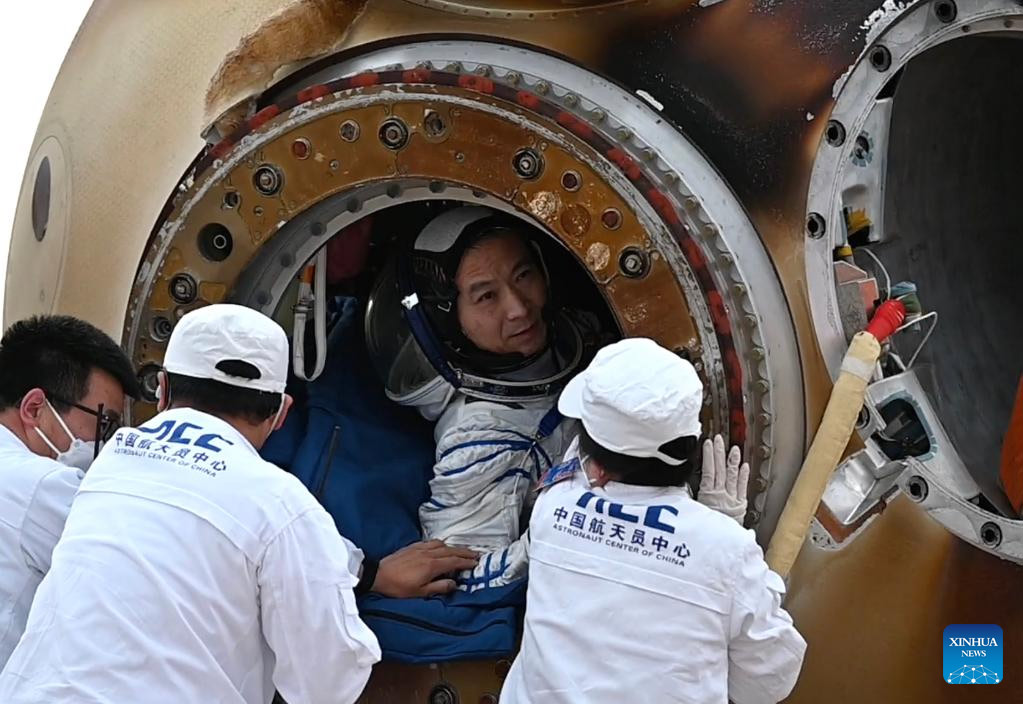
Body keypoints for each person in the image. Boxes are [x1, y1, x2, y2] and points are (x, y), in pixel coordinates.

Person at [0, 304, 477, 704]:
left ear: (162, 389)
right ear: (282, 412)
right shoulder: (280, 502)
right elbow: (325, 682)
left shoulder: (110, 466)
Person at [500, 338, 807, 704]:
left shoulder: (553, 507)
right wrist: (721, 535)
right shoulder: (726, 549)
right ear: (692, 444)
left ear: (596, 467)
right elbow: (767, 685)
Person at [366, 205, 598, 590]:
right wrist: (574, 531)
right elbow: (466, 576)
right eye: (486, 296)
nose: (519, 308)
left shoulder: (573, 334)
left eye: (523, 275)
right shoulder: (482, 438)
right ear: (448, 319)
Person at [0, 315, 139, 670]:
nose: (105, 443)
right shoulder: (44, 486)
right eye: (103, 422)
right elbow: (134, 578)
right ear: (35, 408)